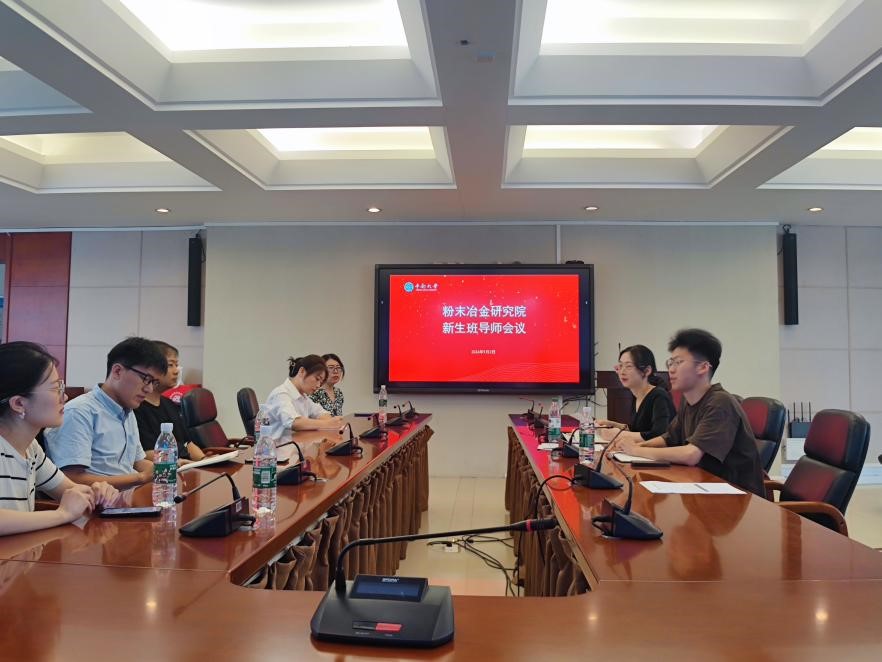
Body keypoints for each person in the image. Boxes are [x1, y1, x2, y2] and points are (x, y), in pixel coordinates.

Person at [608, 329, 765, 496]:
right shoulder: (688, 400)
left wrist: (636, 451)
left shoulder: (720, 402)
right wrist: (634, 447)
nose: (671, 369)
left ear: (703, 367)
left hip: (739, 498)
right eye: (670, 363)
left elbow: (691, 454)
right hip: (703, 486)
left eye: (678, 362)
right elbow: (668, 438)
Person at [0, 342, 119, 536]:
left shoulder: (30, 449)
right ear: (19, 403)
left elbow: (72, 492)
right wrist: (62, 514)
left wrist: (97, 493)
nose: (64, 397)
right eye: (56, 388)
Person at [44, 337, 165, 489]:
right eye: (146, 379)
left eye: (154, 383)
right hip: (96, 501)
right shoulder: (80, 412)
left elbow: (137, 461)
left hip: (127, 497)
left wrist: (166, 468)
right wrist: (140, 478)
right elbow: (71, 479)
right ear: (117, 371)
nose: (149, 389)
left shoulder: (127, 410)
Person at [134, 341, 205, 463]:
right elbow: (144, 454)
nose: (176, 371)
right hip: (165, 469)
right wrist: (176, 462)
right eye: (170, 365)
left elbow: (188, 443)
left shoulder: (169, 404)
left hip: (185, 466)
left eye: (177, 365)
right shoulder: (136, 408)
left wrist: (205, 461)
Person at [597, 345, 675, 443]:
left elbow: (660, 435)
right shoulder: (637, 395)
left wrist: (618, 435)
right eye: (620, 366)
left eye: (628, 366)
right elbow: (637, 430)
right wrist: (611, 424)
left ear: (647, 371)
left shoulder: (659, 396)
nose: (622, 372)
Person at [265, 355, 344, 437]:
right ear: (302, 371)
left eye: (320, 382)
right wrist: (327, 424)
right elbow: (294, 422)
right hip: (278, 444)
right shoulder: (281, 394)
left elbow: (320, 413)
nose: (318, 385)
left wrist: (331, 422)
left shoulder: (303, 397)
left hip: (297, 443)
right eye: (317, 379)